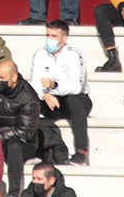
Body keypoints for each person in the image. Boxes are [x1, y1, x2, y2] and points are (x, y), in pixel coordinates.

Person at [28, 20, 91, 166]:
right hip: (49, 101)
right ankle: (31, 150)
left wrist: (54, 86)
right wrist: (45, 94)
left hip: (74, 101)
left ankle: (81, 152)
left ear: (65, 39)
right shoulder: (40, 54)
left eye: (54, 36)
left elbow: (77, 87)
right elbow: (34, 82)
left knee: (74, 100)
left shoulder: (75, 54)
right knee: (26, 96)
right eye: (48, 35)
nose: (49, 39)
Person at [0, 60, 40, 197]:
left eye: (3, 78)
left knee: (14, 146)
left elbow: (26, 131)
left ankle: (13, 192)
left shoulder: (27, 97)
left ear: (14, 78)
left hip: (22, 143)